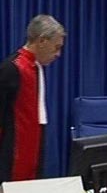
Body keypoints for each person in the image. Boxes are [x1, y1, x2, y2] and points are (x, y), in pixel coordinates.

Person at [0, 14, 65, 183]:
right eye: (56, 47)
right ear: (42, 40)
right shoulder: (12, 69)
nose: (58, 54)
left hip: (33, 151)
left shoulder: (37, 68)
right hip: (11, 157)